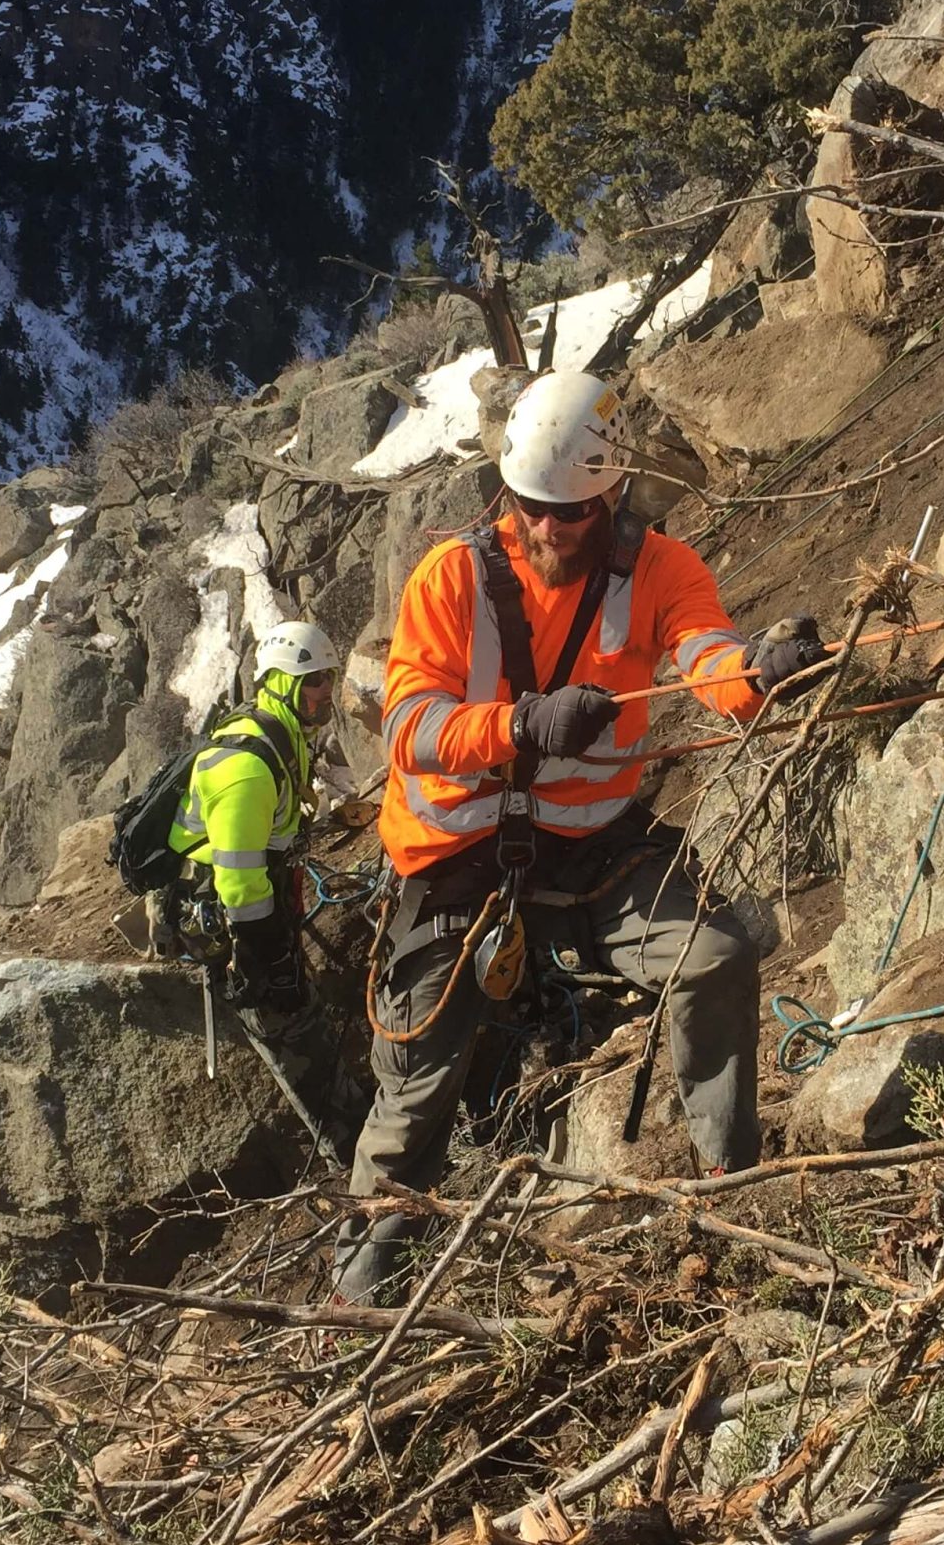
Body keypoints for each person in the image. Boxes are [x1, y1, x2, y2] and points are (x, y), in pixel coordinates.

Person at [336, 371, 832, 1303]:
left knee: (716, 956)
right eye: (529, 509)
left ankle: (734, 1190)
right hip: (455, 868)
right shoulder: (452, 579)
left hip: (594, 852)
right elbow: (410, 727)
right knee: (412, 1102)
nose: (547, 530)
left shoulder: (662, 571)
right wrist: (518, 728)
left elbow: (705, 657)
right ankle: (359, 1301)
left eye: (568, 513)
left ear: (612, 493)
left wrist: (760, 677)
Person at [150, 617, 339, 1019]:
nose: (326, 690)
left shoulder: (285, 735)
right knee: (280, 1016)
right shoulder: (248, 767)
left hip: (263, 890)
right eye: (314, 679)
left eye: (329, 677)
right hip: (225, 911)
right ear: (280, 683)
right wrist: (265, 956)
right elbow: (237, 881)